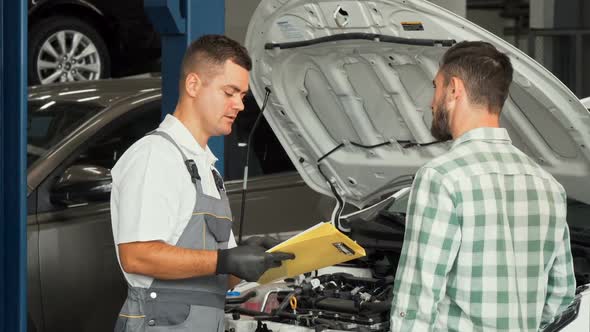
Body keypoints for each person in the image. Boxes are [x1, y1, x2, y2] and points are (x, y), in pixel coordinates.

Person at [110, 35, 294, 332]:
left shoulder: (207, 169)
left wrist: (253, 257)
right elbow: (137, 255)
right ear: (193, 85)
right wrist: (225, 260)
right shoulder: (156, 157)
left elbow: (224, 274)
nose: (240, 105)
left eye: (243, 96)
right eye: (230, 92)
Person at [390, 41, 576, 331]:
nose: (431, 101)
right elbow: (561, 293)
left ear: (454, 89)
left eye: (436, 88)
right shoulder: (548, 185)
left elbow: (418, 299)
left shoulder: (442, 177)